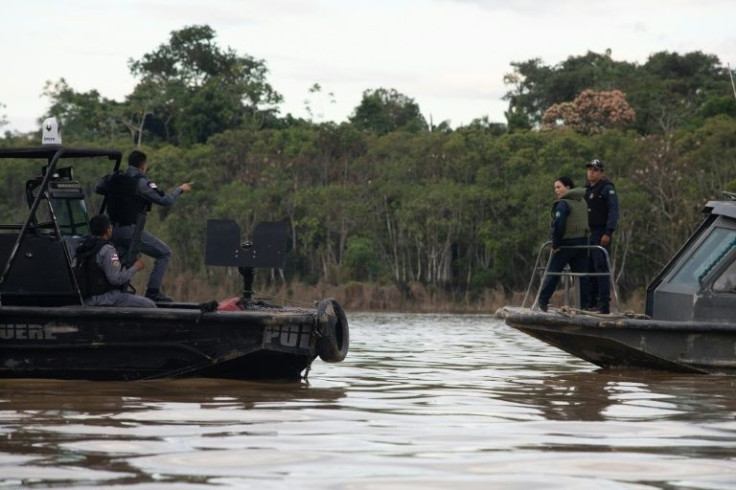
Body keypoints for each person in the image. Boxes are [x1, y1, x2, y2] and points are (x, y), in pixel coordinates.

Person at [96, 149, 192, 302]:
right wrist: (179, 190)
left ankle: (113, 293)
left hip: (112, 231)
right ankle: (153, 291)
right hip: (130, 232)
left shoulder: (114, 176)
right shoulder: (141, 182)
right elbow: (165, 201)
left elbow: (99, 188)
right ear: (142, 166)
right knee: (164, 253)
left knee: (121, 263)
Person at [75, 214, 156, 308]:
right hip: (108, 299)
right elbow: (115, 279)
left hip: (88, 299)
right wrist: (135, 267)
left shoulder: (85, 247)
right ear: (107, 230)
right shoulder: (108, 250)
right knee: (151, 305)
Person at [537, 177, 590, 312]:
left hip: (566, 244)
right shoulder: (582, 201)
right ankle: (584, 305)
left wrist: (555, 244)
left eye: (558, 187)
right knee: (581, 275)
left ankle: (542, 302)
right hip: (583, 244)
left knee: (553, 272)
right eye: (555, 188)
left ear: (568, 187)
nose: (556, 191)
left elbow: (559, 226)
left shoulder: (563, 204)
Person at [584, 158, 619, 314]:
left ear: (601, 172)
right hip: (589, 233)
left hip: (601, 232)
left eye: (595, 170)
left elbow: (613, 210)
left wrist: (608, 232)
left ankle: (603, 305)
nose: (591, 172)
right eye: (590, 169)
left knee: (601, 268)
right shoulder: (586, 190)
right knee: (589, 268)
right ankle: (591, 303)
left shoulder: (607, 188)